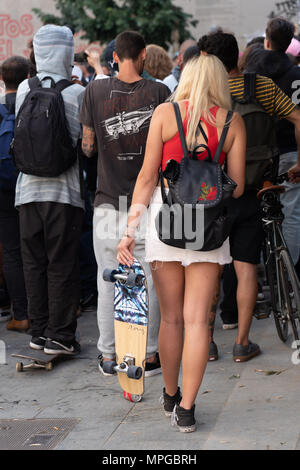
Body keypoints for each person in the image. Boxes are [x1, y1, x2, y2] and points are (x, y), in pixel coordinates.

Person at [117, 54, 246, 432]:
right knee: (197, 321)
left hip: (168, 219)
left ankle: (170, 394)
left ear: (186, 77)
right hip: (209, 224)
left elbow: (145, 177)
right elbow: (235, 186)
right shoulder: (232, 121)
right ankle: (187, 409)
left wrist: (129, 230)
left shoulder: (164, 114)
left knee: (171, 317)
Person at [198, 31, 300, 361]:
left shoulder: (204, 94)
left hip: (212, 192)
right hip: (253, 189)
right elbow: (298, 117)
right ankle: (242, 343)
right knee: (245, 268)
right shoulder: (262, 87)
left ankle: (208, 344)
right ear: (238, 56)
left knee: (211, 268)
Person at [80, 31, 170, 377]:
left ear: (115, 56)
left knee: (109, 278)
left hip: (106, 201)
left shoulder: (95, 91)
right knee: (148, 278)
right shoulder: (160, 93)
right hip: (147, 204)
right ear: (144, 55)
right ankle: (148, 355)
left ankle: (107, 354)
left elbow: (88, 147)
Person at [15, 25, 85, 354]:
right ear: (66, 53)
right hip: (64, 194)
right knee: (62, 264)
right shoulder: (76, 93)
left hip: (26, 193)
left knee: (34, 264)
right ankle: (60, 336)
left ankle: (38, 331)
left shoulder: (22, 92)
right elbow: (84, 146)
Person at [0, 56, 29, 331]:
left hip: (3, 189)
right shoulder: (29, 105)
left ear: (2, 79)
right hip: (30, 183)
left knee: (10, 251)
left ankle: (20, 313)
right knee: (34, 248)